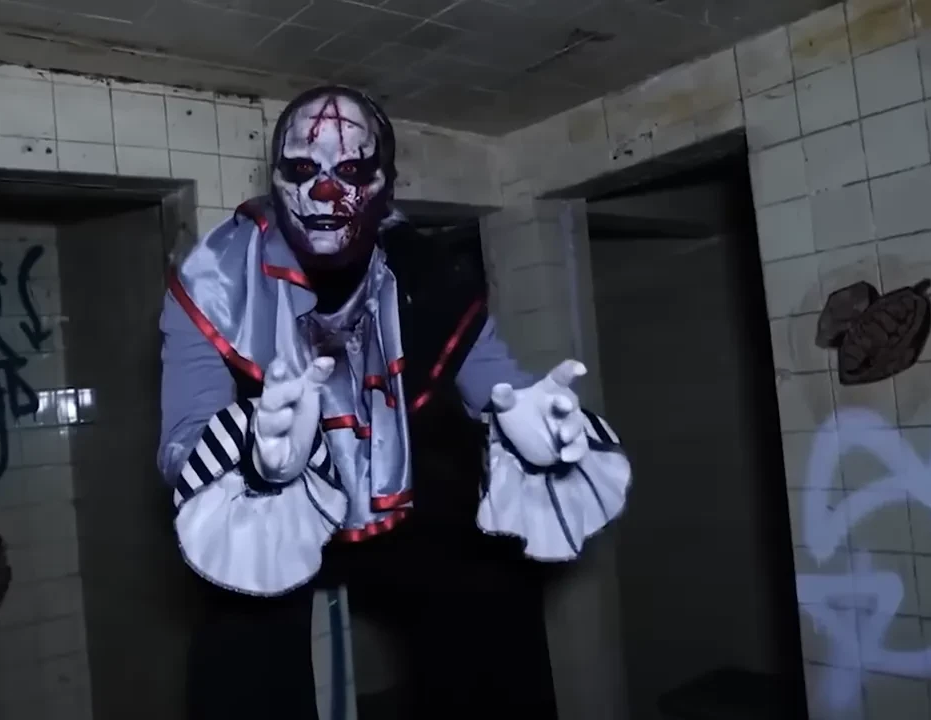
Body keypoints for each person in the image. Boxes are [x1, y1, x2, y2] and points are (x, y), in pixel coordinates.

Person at [158, 85, 631, 719]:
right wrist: (251, 459)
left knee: (494, 594)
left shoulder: (428, 275)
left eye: (353, 171)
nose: (327, 191)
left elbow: (496, 383)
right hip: (268, 502)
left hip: (405, 491)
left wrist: (530, 436)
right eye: (302, 169)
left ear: (386, 184)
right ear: (275, 177)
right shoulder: (213, 282)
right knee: (236, 655)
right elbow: (184, 440)